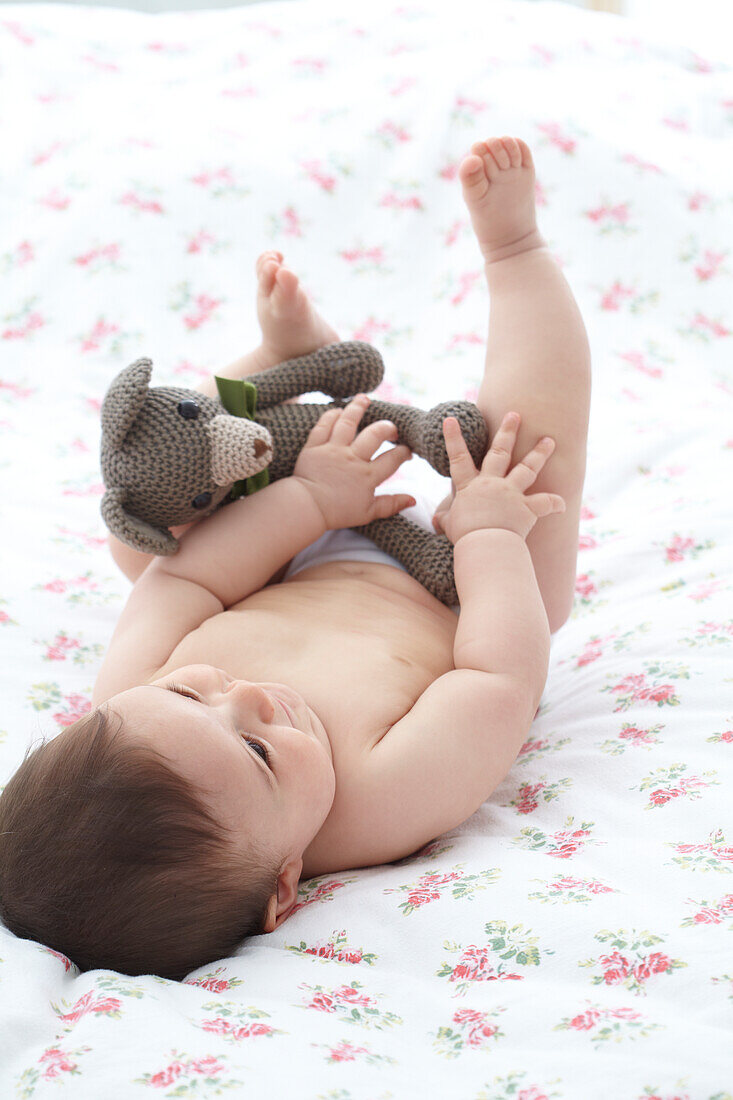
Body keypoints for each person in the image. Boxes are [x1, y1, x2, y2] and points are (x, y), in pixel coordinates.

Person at [0, 137, 591, 980]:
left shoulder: (127, 699)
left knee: (146, 540)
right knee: (527, 458)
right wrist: (489, 535)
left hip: (295, 549)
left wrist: (310, 503)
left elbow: (193, 580)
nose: (244, 692)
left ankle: (282, 366)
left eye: (189, 688)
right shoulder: (376, 806)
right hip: (457, 579)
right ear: (283, 886)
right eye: (259, 751)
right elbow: (497, 680)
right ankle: (515, 252)